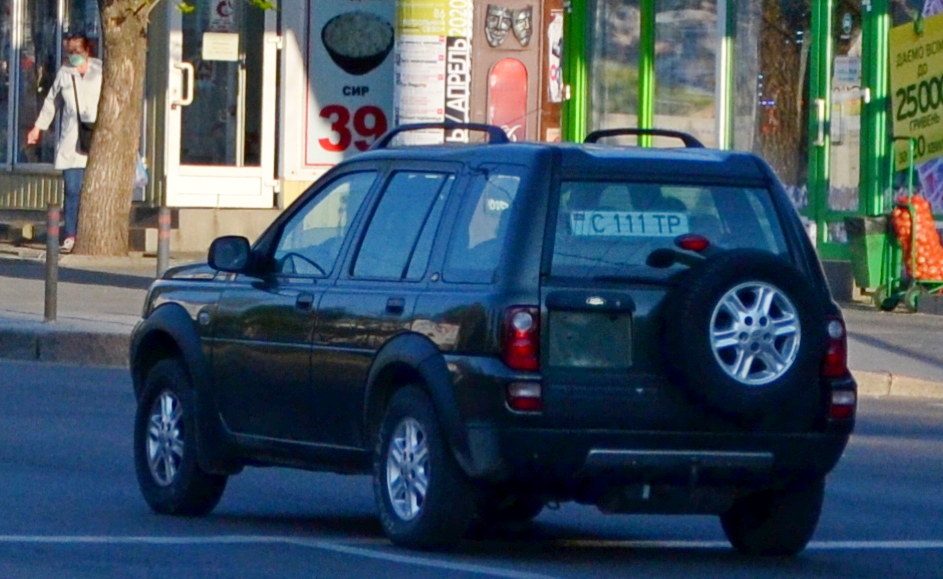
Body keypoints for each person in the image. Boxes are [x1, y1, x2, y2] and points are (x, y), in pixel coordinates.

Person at [26, 34, 102, 254]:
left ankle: (91, 232)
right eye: (70, 52)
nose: (74, 56)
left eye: (78, 51)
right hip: (72, 137)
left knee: (93, 190)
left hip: (96, 136)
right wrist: (38, 128)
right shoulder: (64, 73)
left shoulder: (100, 70)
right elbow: (52, 101)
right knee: (72, 189)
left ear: (88, 50)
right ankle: (70, 234)